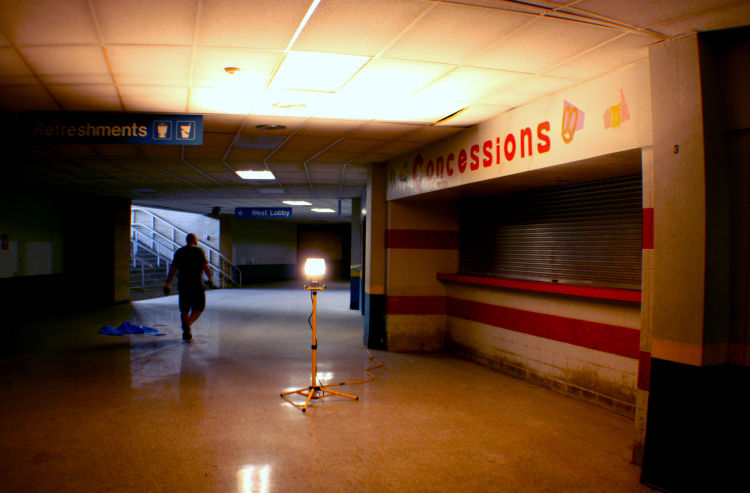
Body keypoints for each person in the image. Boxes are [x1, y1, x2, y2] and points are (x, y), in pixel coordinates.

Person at [164, 233, 214, 342]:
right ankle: (187, 325)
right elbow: (205, 267)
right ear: (194, 240)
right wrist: (210, 278)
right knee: (199, 307)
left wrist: (167, 283)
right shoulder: (199, 251)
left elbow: (173, 269)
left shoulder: (179, 252)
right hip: (196, 284)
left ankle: (186, 332)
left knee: (184, 309)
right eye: (197, 239)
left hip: (183, 284)